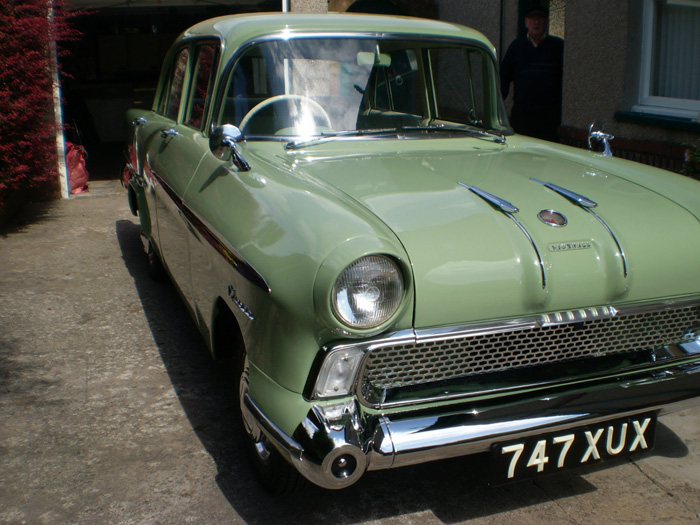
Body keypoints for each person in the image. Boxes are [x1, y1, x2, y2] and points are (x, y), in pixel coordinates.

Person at [500, 4, 564, 142]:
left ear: (546, 23)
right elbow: (503, 78)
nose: (536, 22)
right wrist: (497, 106)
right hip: (523, 116)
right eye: (533, 19)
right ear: (526, 23)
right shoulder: (516, 47)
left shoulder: (557, 47)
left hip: (549, 117)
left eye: (540, 19)